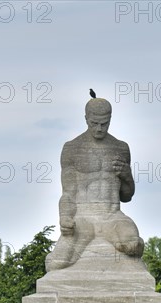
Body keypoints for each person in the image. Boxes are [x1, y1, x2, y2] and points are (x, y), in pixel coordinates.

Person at [45, 98, 144, 271]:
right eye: (94, 123)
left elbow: (127, 196)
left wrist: (127, 176)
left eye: (104, 124)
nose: (99, 128)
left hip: (112, 216)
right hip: (83, 218)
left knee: (133, 245)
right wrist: (65, 217)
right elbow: (67, 193)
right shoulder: (72, 148)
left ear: (110, 119)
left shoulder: (120, 148)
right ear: (86, 119)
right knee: (56, 264)